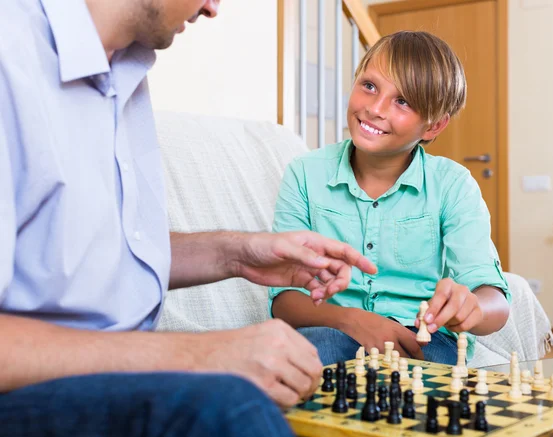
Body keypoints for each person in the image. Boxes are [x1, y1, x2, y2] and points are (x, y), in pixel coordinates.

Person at [0, 1, 377, 436]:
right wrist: (196, 355)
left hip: (97, 378)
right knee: (229, 407)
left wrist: (238, 253)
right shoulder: (12, 51)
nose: (213, 7)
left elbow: (84, 252)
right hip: (22, 391)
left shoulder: (126, 74)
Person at [269, 31, 511, 367]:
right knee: (295, 361)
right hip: (329, 326)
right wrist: (353, 320)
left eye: (403, 101)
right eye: (369, 86)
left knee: (423, 389)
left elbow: (494, 300)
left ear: (433, 127)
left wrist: (471, 306)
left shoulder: (453, 185)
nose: (375, 109)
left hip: (420, 337)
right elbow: (284, 300)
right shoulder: (304, 174)